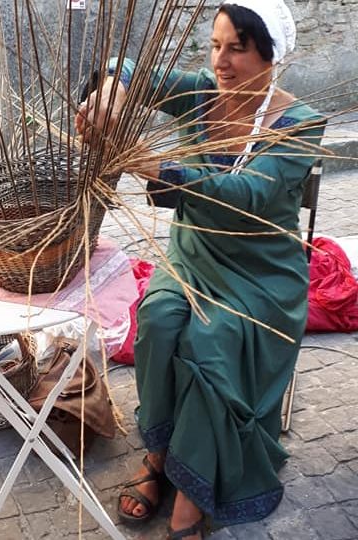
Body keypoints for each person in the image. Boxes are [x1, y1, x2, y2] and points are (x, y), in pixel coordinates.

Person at [75, 1, 326, 539]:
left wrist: (156, 165)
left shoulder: (301, 122)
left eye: (238, 47)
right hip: (193, 255)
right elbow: (125, 67)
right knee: (161, 320)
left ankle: (193, 487)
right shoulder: (197, 93)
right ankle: (162, 457)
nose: (222, 61)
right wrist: (115, 90)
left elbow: (249, 193)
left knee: (213, 342)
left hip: (261, 272)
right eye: (215, 46)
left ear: (271, 53)